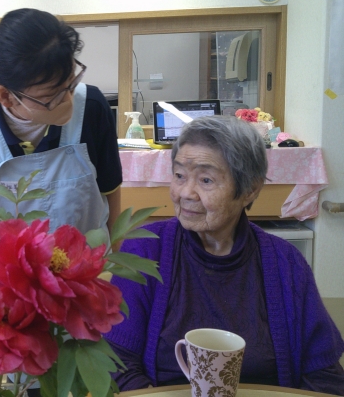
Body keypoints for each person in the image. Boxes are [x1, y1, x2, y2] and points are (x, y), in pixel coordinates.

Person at [105, 116, 344, 395]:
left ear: (250, 189)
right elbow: (117, 362)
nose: (185, 193)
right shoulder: (145, 250)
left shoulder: (287, 263)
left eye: (206, 180)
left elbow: (323, 375)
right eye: (179, 175)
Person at [0, 8, 122, 239]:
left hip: (90, 256)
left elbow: (110, 190)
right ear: (6, 97)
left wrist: (116, 254)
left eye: (71, 84)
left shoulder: (92, 107)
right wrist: (22, 253)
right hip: (17, 259)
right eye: (52, 97)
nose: (69, 101)